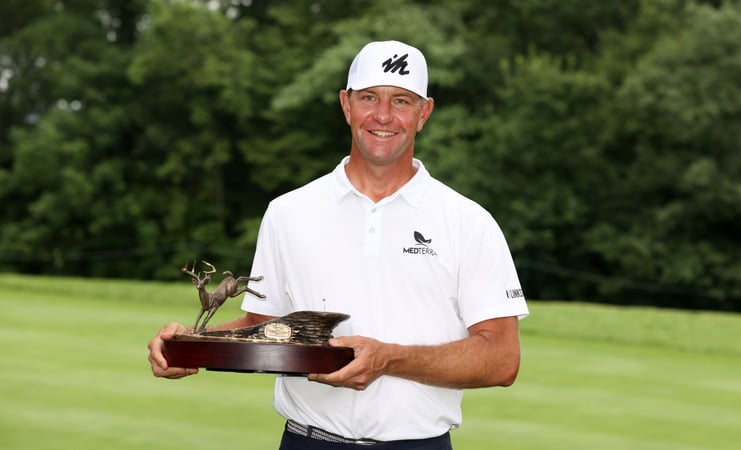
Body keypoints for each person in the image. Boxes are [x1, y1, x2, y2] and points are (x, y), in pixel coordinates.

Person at [148, 40, 530, 449]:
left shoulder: (469, 222)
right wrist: (192, 344)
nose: (383, 115)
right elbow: (264, 326)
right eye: (369, 98)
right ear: (346, 105)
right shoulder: (288, 211)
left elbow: (501, 359)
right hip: (306, 440)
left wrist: (389, 358)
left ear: (425, 113)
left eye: (401, 100)